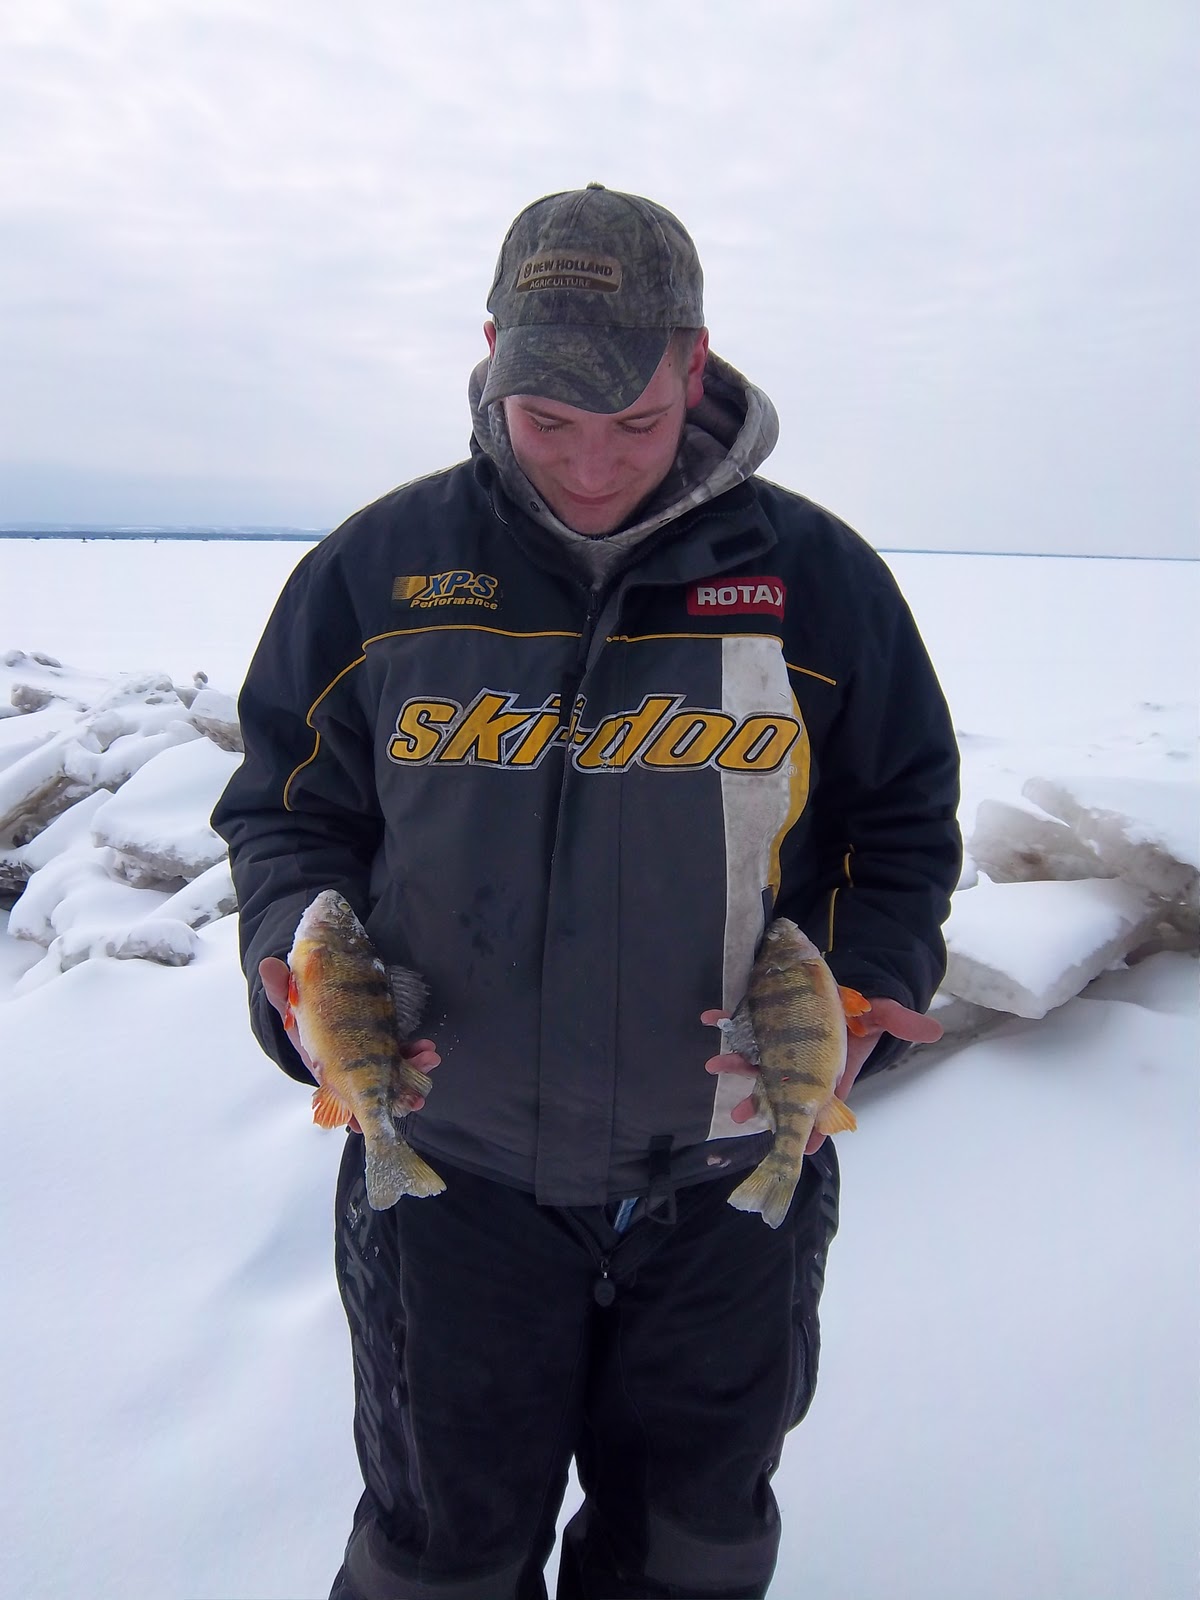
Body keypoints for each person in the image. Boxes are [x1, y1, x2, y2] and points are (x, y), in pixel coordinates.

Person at [212, 183, 961, 1600]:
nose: (594, 468)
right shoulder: (378, 573)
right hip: (451, 1180)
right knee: (443, 1547)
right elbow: (287, 813)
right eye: (549, 424)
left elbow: (901, 819)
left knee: (691, 1547)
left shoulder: (818, 583)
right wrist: (287, 964)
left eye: (634, 422)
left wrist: (871, 980)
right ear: (490, 355)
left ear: (696, 365)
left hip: (730, 1179)